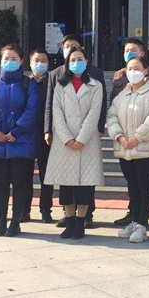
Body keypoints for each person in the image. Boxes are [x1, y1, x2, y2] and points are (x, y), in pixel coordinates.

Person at [44, 34, 107, 229]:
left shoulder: (95, 85)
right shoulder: (60, 85)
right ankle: (69, 220)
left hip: (86, 141)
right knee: (65, 184)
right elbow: (56, 112)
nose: (76, 63)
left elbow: (94, 113)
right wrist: (67, 138)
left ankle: (81, 222)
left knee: (85, 185)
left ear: (86, 61)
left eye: (80, 59)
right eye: (72, 60)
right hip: (65, 142)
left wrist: (81, 138)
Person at [0, 44, 40, 237]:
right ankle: (2, 221)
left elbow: (32, 110)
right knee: (0, 183)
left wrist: (17, 130)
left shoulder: (28, 84)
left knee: (19, 182)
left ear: (21, 61)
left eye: (14, 59)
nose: (10, 62)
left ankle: (15, 221)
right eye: (6, 58)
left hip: (20, 141)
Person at [107, 56, 149, 243]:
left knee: (144, 187)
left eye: (137, 68)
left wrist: (137, 138)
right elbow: (112, 117)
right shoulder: (121, 96)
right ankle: (133, 221)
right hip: (125, 149)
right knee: (132, 187)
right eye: (130, 68)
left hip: (144, 149)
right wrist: (120, 137)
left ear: (146, 71)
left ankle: (142, 225)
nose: (133, 72)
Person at [23, 47, 54, 223]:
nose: (39, 64)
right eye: (36, 61)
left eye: (43, 61)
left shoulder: (53, 82)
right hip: (26, 135)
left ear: (48, 63)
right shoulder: (24, 83)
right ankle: (24, 210)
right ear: (30, 63)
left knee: (46, 176)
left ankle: (45, 210)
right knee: (25, 175)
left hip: (46, 135)